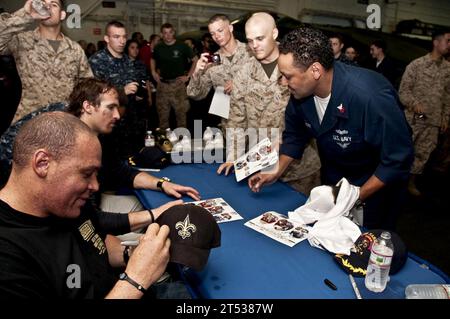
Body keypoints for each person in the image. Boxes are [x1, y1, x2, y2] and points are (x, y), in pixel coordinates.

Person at [249, 26, 414, 230]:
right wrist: (276, 170)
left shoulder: (370, 96)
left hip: (376, 184)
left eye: (288, 76)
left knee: (363, 247)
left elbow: (397, 159)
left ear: (315, 70)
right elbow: (295, 135)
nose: (283, 83)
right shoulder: (301, 94)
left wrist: (353, 198)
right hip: (335, 178)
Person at [0, 79, 200, 240]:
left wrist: (162, 184)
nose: (117, 115)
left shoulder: (96, 135)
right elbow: (89, 220)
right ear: (88, 106)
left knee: (144, 212)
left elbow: (120, 171)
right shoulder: (63, 141)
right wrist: (153, 215)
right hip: (60, 227)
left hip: (84, 215)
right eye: (110, 107)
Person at [0, 112, 170, 298]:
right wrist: (136, 280)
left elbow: (95, 244)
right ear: (42, 164)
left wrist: (134, 255)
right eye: (86, 174)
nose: (95, 186)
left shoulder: (66, 203)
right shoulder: (8, 254)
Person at [216, 13, 321, 195]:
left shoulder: (298, 65)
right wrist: (233, 157)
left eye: (260, 38)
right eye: (249, 41)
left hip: (299, 170)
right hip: (260, 167)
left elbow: (314, 115)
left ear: (274, 33)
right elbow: (236, 118)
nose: (254, 46)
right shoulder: (244, 72)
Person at [0, 0, 93, 124]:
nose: (47, 6)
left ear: (62, 15)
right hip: (29, 123)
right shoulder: (22, 41)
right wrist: (26, 14)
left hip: (64, 124)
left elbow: (87, 86)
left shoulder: (75, 49)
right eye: (44, 3)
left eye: (54, 4)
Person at [398, 31, 450, 196]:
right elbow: (403, 91)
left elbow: (448, 96)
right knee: (404, 151)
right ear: (436, 42)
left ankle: (410, 182)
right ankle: (394, 182)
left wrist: (445, 118)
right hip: (413, 120)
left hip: (433, 122)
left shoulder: (448, 69)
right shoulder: (417, 65)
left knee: (423, 154)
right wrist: (414, 104)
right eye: (448, 41)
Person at [89, 21, 148, 158]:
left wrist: (139, 94)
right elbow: (94, 94)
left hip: (132, 124)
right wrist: (122, 91)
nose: (121, 41)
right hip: (109, 126)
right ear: (106, 39)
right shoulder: (97, 61)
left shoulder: (128, 61)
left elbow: (135, 87)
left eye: (124, 37)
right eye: (116, 37)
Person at [187, 14, 252, 102]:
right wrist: (196, 72)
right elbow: (195, 94)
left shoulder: (252, 51)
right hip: (228, 114)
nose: (216, 36)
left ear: (230, 28)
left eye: (220, 30)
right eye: (212, 34)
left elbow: (271, 82)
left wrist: (240, 84)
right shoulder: (212, 60)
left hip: (253, 113)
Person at [151, 23, 198, 129]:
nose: (168, 35)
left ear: (174, 33)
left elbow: (195, 60)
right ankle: (164, 142)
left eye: (170, 32)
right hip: (162, 85)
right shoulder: (159, 47)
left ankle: (182, 140)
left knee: (181, 116)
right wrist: (153, 72)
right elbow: (152, 59)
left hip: (178, 85)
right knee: (162, 117)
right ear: (161, 34)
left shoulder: (182, 46)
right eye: (165, 33)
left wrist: (188, 76)